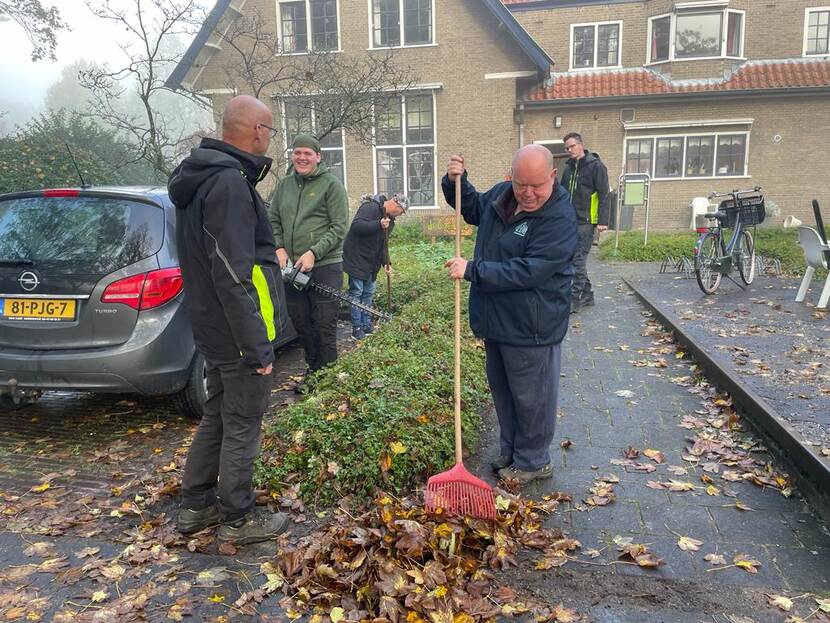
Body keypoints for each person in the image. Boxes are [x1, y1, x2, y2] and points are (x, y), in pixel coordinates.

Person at [168, 94, 291, 545]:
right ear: (257, 131)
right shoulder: (230, 185)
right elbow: (232, 274)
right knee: (242, 420)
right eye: (270, 130)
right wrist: (256, 345)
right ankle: (238, 519)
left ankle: (195, 506)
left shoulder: (200, 179)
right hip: (236, 331)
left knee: (218, 413)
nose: (270, 138)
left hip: (211, 326)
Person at [443, 145, 577, 484]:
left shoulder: (559, 218)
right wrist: (454, 181)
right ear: (511, 176)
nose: (528, 194)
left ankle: (533, 461)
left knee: (532, 398)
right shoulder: (504, 195)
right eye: (521, 184)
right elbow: (473, 208)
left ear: (552, 177)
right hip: (497, 321)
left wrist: (473, 270)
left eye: (537, 186)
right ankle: (511, 449)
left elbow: (528, 270)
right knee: (504, 393)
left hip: (532, 324)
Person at [268, 134, 349, 386]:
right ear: (292, 156)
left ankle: (328, 382)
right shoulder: (284, 186)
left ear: (318, 156)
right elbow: (272, 220)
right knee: (302, 325)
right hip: (291, 269)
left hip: (325, 267)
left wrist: (314, 252)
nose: (302, 157)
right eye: (297, 153)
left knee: (324, 326)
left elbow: (339, 226)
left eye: (307, 153)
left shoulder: (331, 185)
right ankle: (314, 374)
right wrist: (279, 247)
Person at [342, 192, 408, 340]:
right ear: (396, 204)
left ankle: (366, 324)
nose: (400, 215)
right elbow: (356, 226)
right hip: (356, 257)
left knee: (368, 292)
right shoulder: (370, 207)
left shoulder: (391, 222)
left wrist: (386, 263)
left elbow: (383, 244)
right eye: (401, 212)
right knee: (357, 292)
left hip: (372, 261)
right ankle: (357, 328)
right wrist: (377, 224)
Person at [560, 132, 611, 311]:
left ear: (581, 144)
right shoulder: (568, 169)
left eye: (572, 146)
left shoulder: (595, 166)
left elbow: (605, 194)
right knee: (575, 259)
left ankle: (573, 300)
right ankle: (587, 296)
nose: (569, 150)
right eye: (566, 148)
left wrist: (602, 221)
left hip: (587, 222)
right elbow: (562, 194)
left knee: (578, 260)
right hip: (570, 221)